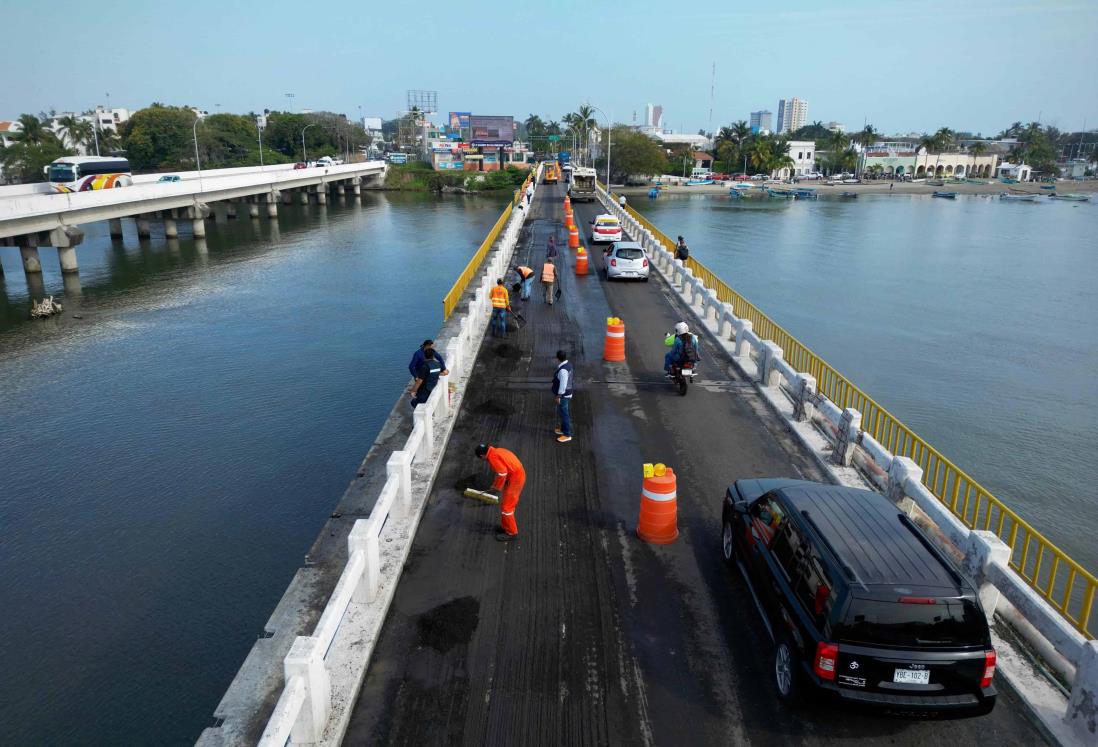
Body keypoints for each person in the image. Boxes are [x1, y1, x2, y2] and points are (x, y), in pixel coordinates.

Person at [476, 443, 526, 541]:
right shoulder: (497, 450)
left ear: (482, 456)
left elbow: (502, 473)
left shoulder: (492, 457)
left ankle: (512, 532)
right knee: (506, 506)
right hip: (515, 475)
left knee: (507, 508)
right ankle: (506, 527)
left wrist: (496, 487)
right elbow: (506, 468)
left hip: (516, 479)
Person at [552, 350, 573, 443]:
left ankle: (567, 434)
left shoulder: (563, 370)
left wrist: (558, 396)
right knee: (563, 412)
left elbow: (563, 385)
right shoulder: (568, 365)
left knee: (564, 414)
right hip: (567, 393)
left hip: (564, 395)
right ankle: (563, 429)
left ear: (557, 359)